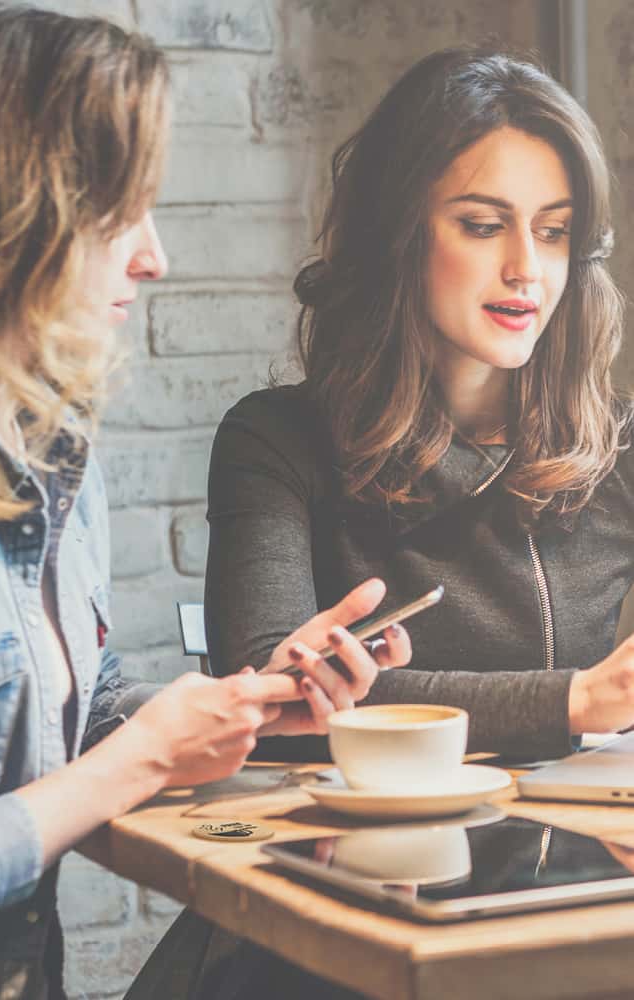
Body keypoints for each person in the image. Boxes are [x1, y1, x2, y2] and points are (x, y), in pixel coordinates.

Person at [0, 4, 414, 998]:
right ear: (7, 216)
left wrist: (249, 712)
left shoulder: (52, 454)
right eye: (121, 212)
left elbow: (69, 733)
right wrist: (142, 762)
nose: (155, 256)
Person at [205, 44, 634, 765]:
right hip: (361, 864)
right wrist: (574, 702)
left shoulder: (618, 443)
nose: (527, 267)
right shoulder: (274, 439)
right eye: (482, 224)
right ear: (398, 234)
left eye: (554, 231)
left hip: (591, 864)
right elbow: (265, 691)